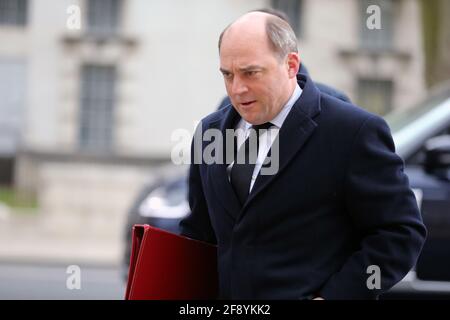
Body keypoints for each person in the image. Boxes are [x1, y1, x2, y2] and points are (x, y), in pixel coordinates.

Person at [180, 11, 426, 300]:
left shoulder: (352, 131)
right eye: (228, 75)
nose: (237, 88)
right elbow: (199, 233)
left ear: (291, 65)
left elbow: (400, 233)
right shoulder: (210, 132)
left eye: (250, 73)